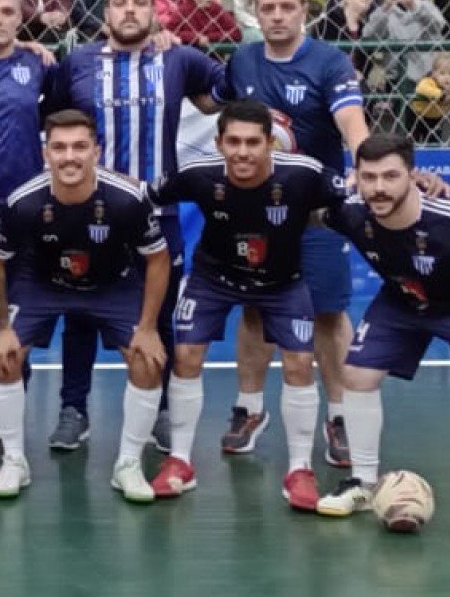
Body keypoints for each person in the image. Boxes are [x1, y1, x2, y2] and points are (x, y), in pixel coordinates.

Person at [317, 134, 450, 552]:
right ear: (357, 178)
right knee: (357, 374)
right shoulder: (350, 210)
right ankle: (363, 482)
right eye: (370, 177)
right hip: (403, 299)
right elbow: (306, 208)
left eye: (391, 176)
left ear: (413, 177)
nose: (379, 187)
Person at [42, 0, 227, 446]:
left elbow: (218, 98)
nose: (129, 10)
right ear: (105, 12)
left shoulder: (179, 58)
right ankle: (73, 408)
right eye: (120, 2)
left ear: (154, 10)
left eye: (139, 2)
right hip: (87, 212)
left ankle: (160, 407)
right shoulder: (77, 62)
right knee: (80, 311)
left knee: (160, 315)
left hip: (156, 213)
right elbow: (56, 121)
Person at [148, 99, 349, 506]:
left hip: (282, 282)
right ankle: (180, 461)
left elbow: (364, 197)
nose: (242, 151)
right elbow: (143, 199)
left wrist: (418, 182)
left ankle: (299, 469)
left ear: (270, 143)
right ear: (219, 142)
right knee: (185, 355)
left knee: (298, 364)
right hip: (212, 278)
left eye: (253, 142)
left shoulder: (306, 174)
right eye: (233, 141)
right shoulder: (197, 174)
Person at [216, 0, 371, 471]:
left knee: (327, 313)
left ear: (304, 9)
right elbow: (212, 104)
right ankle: (250, 408)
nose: (278, 17)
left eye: (287, 7)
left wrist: (365, 165)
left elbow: (352, 121)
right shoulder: (242, 60)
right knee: (257, 310)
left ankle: (341, 416)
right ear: (255, 12)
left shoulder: (329, 62)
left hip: (317, 214)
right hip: (256, 215)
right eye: (268, 8)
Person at [0, 109, 171, 502]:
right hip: (41, 283)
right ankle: (14, 461)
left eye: (80, 147)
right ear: (46, 154)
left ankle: (129, 464)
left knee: (148, 359)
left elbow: (157, 258)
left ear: (96, 152)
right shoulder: (23, 201)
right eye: (60, 148)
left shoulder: (128, 198)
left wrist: (149, 327)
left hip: (111, 285)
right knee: (3, 356)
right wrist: (1, 326)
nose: (70, 157)